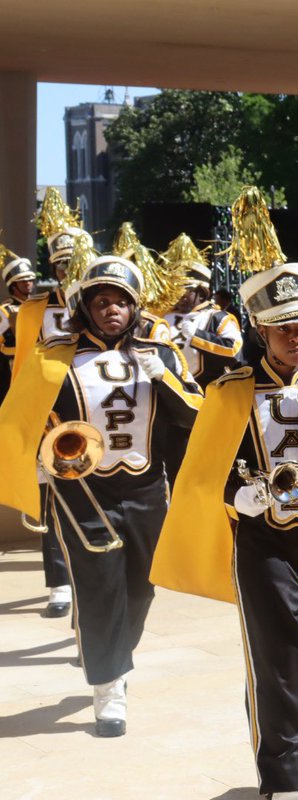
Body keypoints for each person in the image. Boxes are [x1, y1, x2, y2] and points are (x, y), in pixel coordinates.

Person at [152, 186, 298, 800]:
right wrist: (240, 494)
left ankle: (279, 742)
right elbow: (205, 469)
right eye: (282, 326)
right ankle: (287, 777)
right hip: (262, 541)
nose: (296, 336)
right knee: (280, 650)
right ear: (260, 329)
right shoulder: (230, 391)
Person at [0, 252, 202, 737]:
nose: (112, 310)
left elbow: (197, 416)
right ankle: (108, 686)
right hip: (82, 490)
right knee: (99, 585)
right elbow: (20, 417)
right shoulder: (56, 355)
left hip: (148, 488)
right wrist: (40, 463)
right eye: (102, 301)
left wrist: (163, 376)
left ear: (135, 308)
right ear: (86, 307)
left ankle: (116, 657)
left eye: (121, 302)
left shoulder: (164, 354)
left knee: (141, 586)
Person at [16, 188, 84, 617]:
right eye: (59, 263)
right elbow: (26, 365)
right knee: (52, 500)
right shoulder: (36, 307)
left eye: (72, 262)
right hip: (52, 416)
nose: (66, 270)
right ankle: (59, 582)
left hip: (100, 414)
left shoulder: (106, 301)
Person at [161, 232, 244, 387]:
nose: (179, 295)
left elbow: (234, 348)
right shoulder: (165, 317)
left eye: (185, 290)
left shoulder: (218, 317)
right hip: (172, 391)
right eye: (175, 290)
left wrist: (198, 336)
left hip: (210, 391)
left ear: (201, 293)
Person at [0, 243, 38, 400]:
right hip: (12, 368)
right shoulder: (4, 311)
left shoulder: (38, 306)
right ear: (13, 285)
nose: (28, 283)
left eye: (30, 279)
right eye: (23, 281)